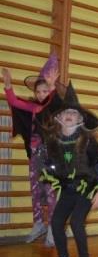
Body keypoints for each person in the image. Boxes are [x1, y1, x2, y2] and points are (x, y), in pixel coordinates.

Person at [38, 82, 98, 257]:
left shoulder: (89, 141)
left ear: (81, 119)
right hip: (67, 189)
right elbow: (51, 166)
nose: (69, 115)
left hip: (87, 188)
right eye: (65, 112)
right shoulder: (53, 142)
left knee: (76, 222)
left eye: (74, 113)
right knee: (57, 222)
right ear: (58, 117)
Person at [3, 54, 61, 246]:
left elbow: (56, 103)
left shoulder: (54, 107)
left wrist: (53, 87)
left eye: (45, 91)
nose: (42, 94)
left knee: (50, 192)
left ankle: (54, 228)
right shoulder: (33, 107)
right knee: (36, 192)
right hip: (35, 157)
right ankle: (39, 223)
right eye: (39, 91)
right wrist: (9, 86)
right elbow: (15, 102)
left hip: (51, 159)